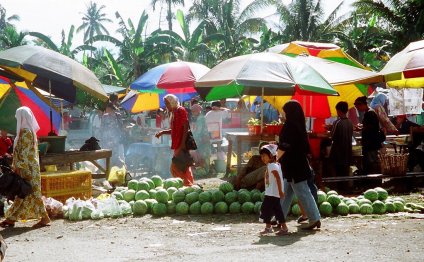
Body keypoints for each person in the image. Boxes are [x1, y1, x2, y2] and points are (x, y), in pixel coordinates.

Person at [0, 106, 50, 228]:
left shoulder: (27, 132)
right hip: (28, 168)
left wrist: (18, 166)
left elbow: (24, 152)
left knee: (25, 192)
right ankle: (11, 219)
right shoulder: (27, 131)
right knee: (22, 193)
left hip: (28, 169)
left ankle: (44, 218)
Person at [277, 100, 321, 230]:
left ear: (289, 112)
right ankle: (280, 218)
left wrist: (275, 157)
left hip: (294, 165)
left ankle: (314, 218)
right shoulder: (299, 125)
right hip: (296, 164)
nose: (283, 114)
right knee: (287, 192)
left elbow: (284, 145)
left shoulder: (290, 126)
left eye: (284, 111)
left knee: (303, 192)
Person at [155, 94, 194, 186]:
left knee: (177, 166)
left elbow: (185, 127)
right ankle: (188, 184)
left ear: (172, 102)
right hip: (177, 143)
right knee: (183, 164)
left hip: (181, 143)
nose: (166, 106)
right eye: (165, 104)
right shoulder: (174, 112)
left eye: (167, 103)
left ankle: (186, 184)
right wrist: (163, 132)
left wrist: (183, 143)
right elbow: (175, 130)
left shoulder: (180, 110)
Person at [258, 144, 288, 236]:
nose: (262, 158)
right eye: (261, 156)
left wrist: (280, 191)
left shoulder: (272, 166)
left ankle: (268, 227)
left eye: (264, 156)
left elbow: (278, 179)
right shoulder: (274, 165)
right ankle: (284, 228)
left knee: (265, 209)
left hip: (272, 193)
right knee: (277, 211)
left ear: (271, 156)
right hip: (272, 193)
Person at [330, 102, 354, 178]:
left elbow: (332, 136)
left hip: (338, 152)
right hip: (348, 151)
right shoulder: (350, 122)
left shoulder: (337, 122)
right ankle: (345, 188)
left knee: (338, 172)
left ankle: (339, 188)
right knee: (345, 172)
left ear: (339, 110)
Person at [100, 103, 125, 167]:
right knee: (106, 153)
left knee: (115, 154)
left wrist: (120, 135)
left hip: (115, 138)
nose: (106, 110)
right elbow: (102, 127)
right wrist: (102, 137)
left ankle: (115, 167)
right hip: (106, 139)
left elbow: (121, 126)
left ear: (110, 109)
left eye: (107, 108)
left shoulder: (118, 115)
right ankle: (107, 167)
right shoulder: (105, 116)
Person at [190, 104, 211, 174]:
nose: (192, 113)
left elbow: (198, 132)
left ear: (197, 111)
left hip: (203, 140)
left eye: (193, 111)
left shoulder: (200, 119)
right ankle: (204, 170)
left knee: (204, 155)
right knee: (202, 156)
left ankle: (205, 171)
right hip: (202, 140)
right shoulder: (199, 118)